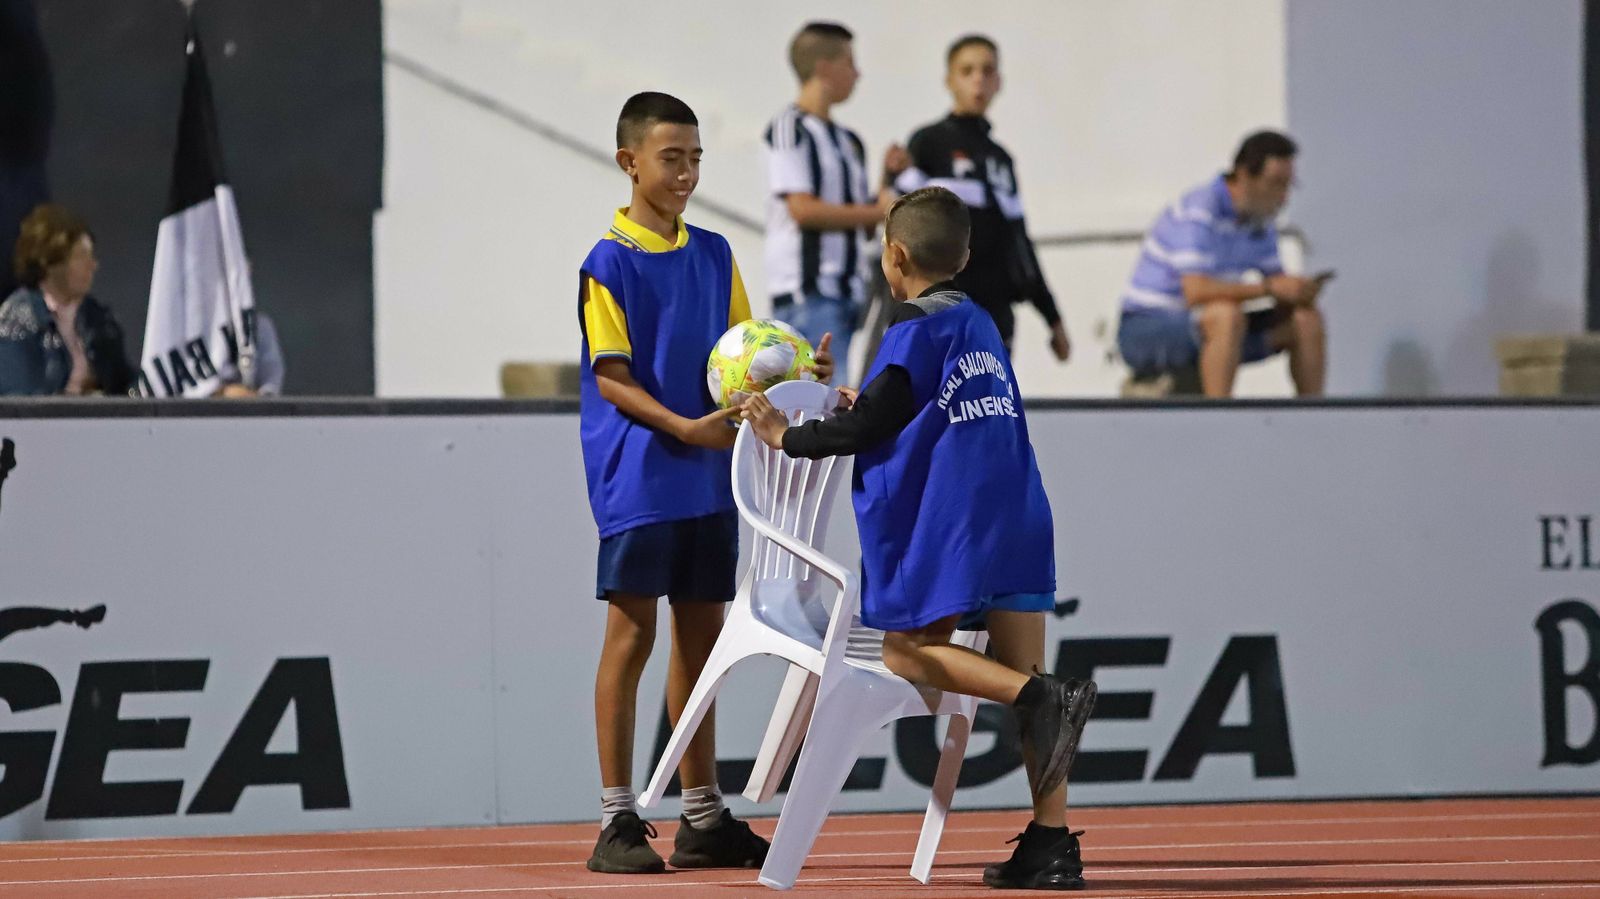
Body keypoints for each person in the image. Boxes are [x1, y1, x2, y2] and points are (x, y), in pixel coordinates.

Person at [742, 187, 1097, 891]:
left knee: (911, 651)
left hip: (959, 523)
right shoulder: (979, 322)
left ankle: (1041, 695)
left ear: (894, 256)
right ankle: (1052, 840)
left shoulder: (910, 329)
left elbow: (874, 426)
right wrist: (860, 396)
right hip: (1020, 512)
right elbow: (902, 403)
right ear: (962, 256)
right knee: (1024, 679)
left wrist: (788, 434)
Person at [577, 91, 834, 875]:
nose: (686, 172)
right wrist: (684, 427)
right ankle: (617, 817)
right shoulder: (607, 261)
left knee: (701, 634)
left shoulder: (717, 253)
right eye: (670, 157)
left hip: (709, 473)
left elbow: (748, 354)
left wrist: (804, 375)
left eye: (695, 158)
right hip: (642, 474)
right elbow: (611, 376)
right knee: (633, 633)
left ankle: (701, 812)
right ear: (629, 162)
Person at [895, 35, 1069, 363]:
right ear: (949, 80)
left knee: (988, 404)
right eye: (967, 70)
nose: (978, 79)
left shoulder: (1000, 158)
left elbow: (1018, 240)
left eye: (987, 70)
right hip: (941, 307)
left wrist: (1052, 318)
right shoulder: (928, 143)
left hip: (994, 313)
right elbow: (902, 225)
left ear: (999, 81)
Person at [1116, 130, 1327, 397]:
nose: (1283, 198)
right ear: (1244, 175)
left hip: (1207, 325)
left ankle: (1312, 417)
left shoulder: (1261, 221)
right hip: (1147, 326)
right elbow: (1196, 292)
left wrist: (1297, 292)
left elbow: (1276, 286)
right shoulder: (1200, 209)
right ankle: (1219, 416)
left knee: (1305, 319)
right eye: (1275, 184)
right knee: (1225, 316)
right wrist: (1271, 288)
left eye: (1288, 186)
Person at [763, 21, 904, 382]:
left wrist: (886, 181)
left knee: (844, 402)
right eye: (849, 63)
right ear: (824, 67)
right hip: (809, 294)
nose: (857, 74)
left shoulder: (848, 141)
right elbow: (803, 210)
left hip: (852, 293)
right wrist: (880, 208)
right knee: (818, 408)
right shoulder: (789, 128)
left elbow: (864, 221)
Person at [0, 204, 135, 396]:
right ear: (50, 263)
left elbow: (124, 381)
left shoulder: (98, 320)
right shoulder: (18, 322)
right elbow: (22, 400)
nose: (93, 265)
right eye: (81, 256)